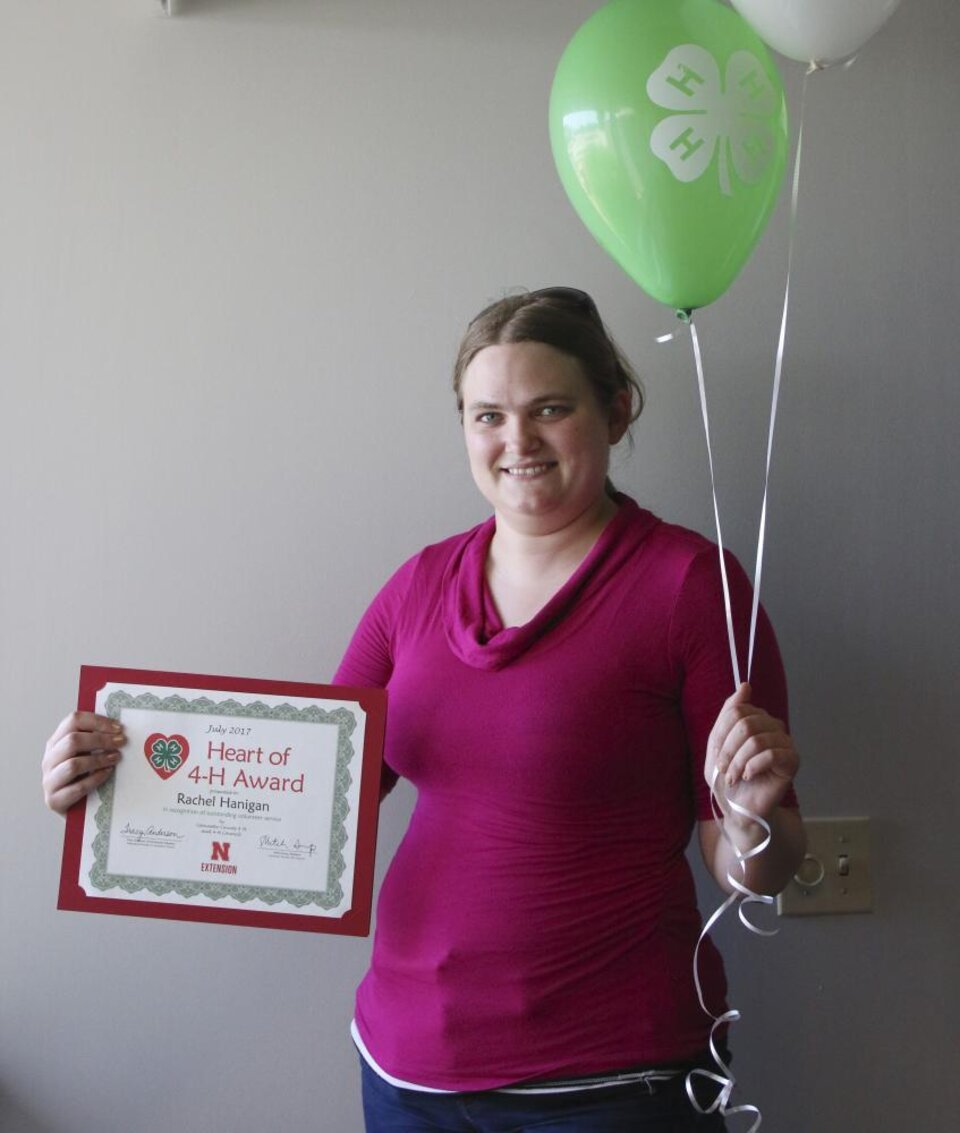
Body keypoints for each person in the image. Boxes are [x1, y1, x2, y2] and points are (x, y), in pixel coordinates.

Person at [42, 288, 804, 1132]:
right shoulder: (417, 587)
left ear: (615, 409)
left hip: (608, 1081)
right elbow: (301, 795)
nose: (517, 441)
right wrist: (112, 785)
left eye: (550, 408)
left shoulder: (693, 587)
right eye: (487, 416)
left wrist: (753, 820)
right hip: (405, 1068)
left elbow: (753, 868)